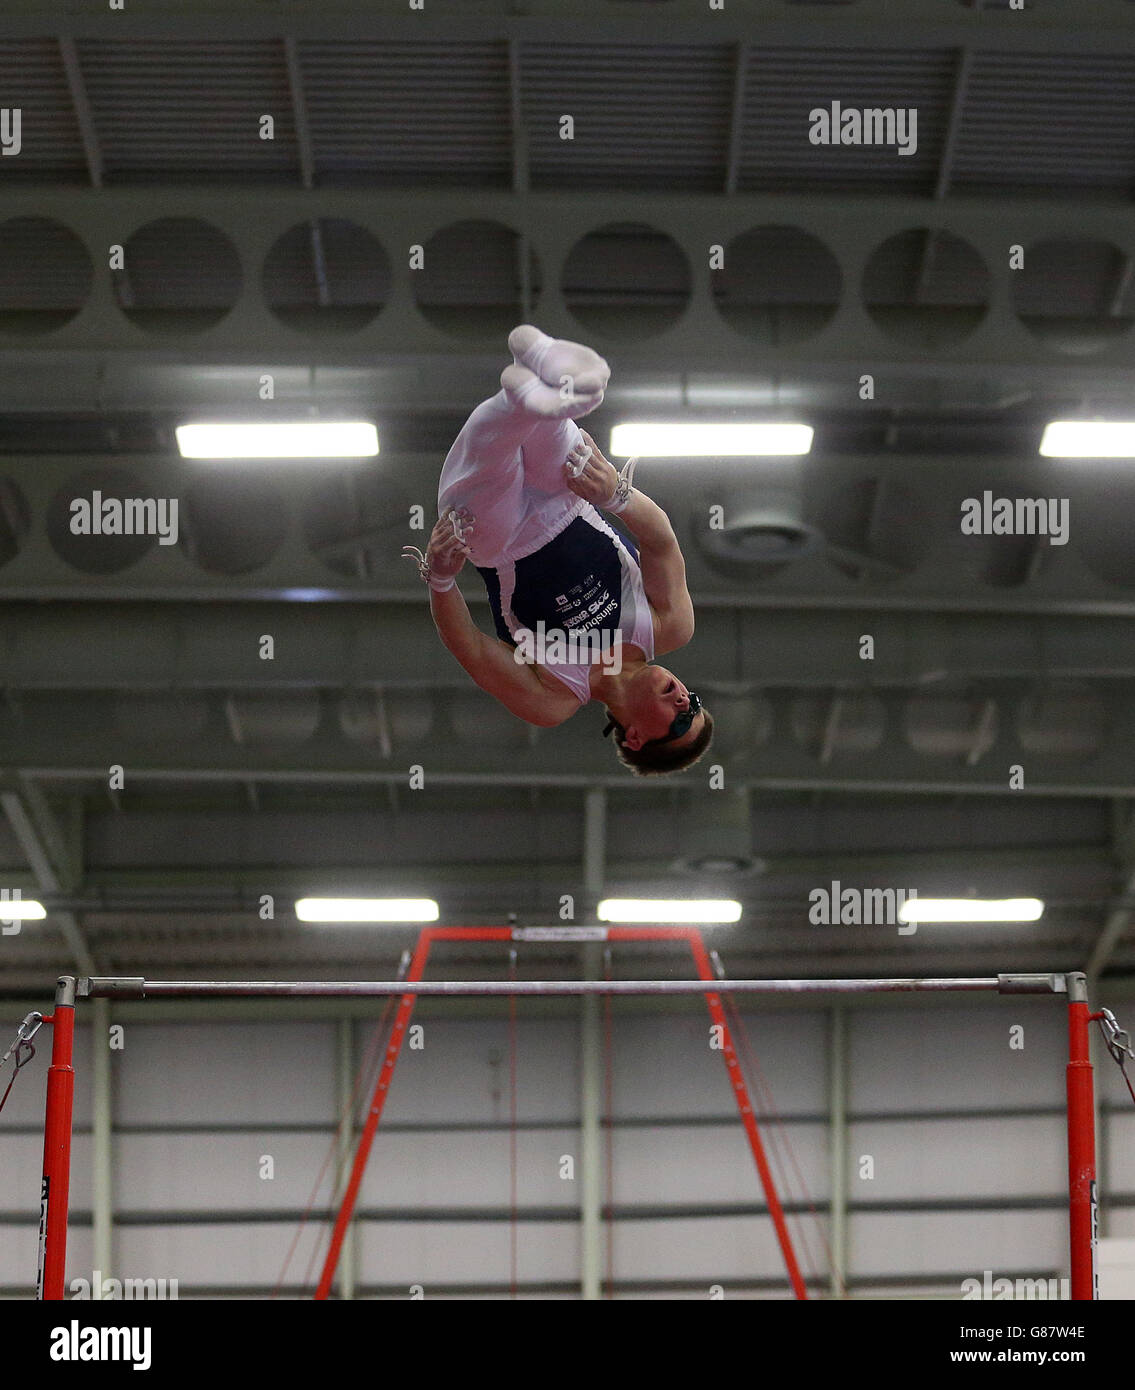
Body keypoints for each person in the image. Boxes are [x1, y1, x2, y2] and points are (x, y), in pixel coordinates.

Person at [403, 326, 713, 777]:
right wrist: (617, 495)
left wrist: (442, 578)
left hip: (499, 541)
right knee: (569, 446)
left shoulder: (553, 697)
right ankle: (542, 384)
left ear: (635, 737)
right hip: (570, 501)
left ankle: (530, 389)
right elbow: (661, 541)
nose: (685, 700)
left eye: (681, 719)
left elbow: (470, 648)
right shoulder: (669, 626)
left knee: (489, 476)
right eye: (696, 704)